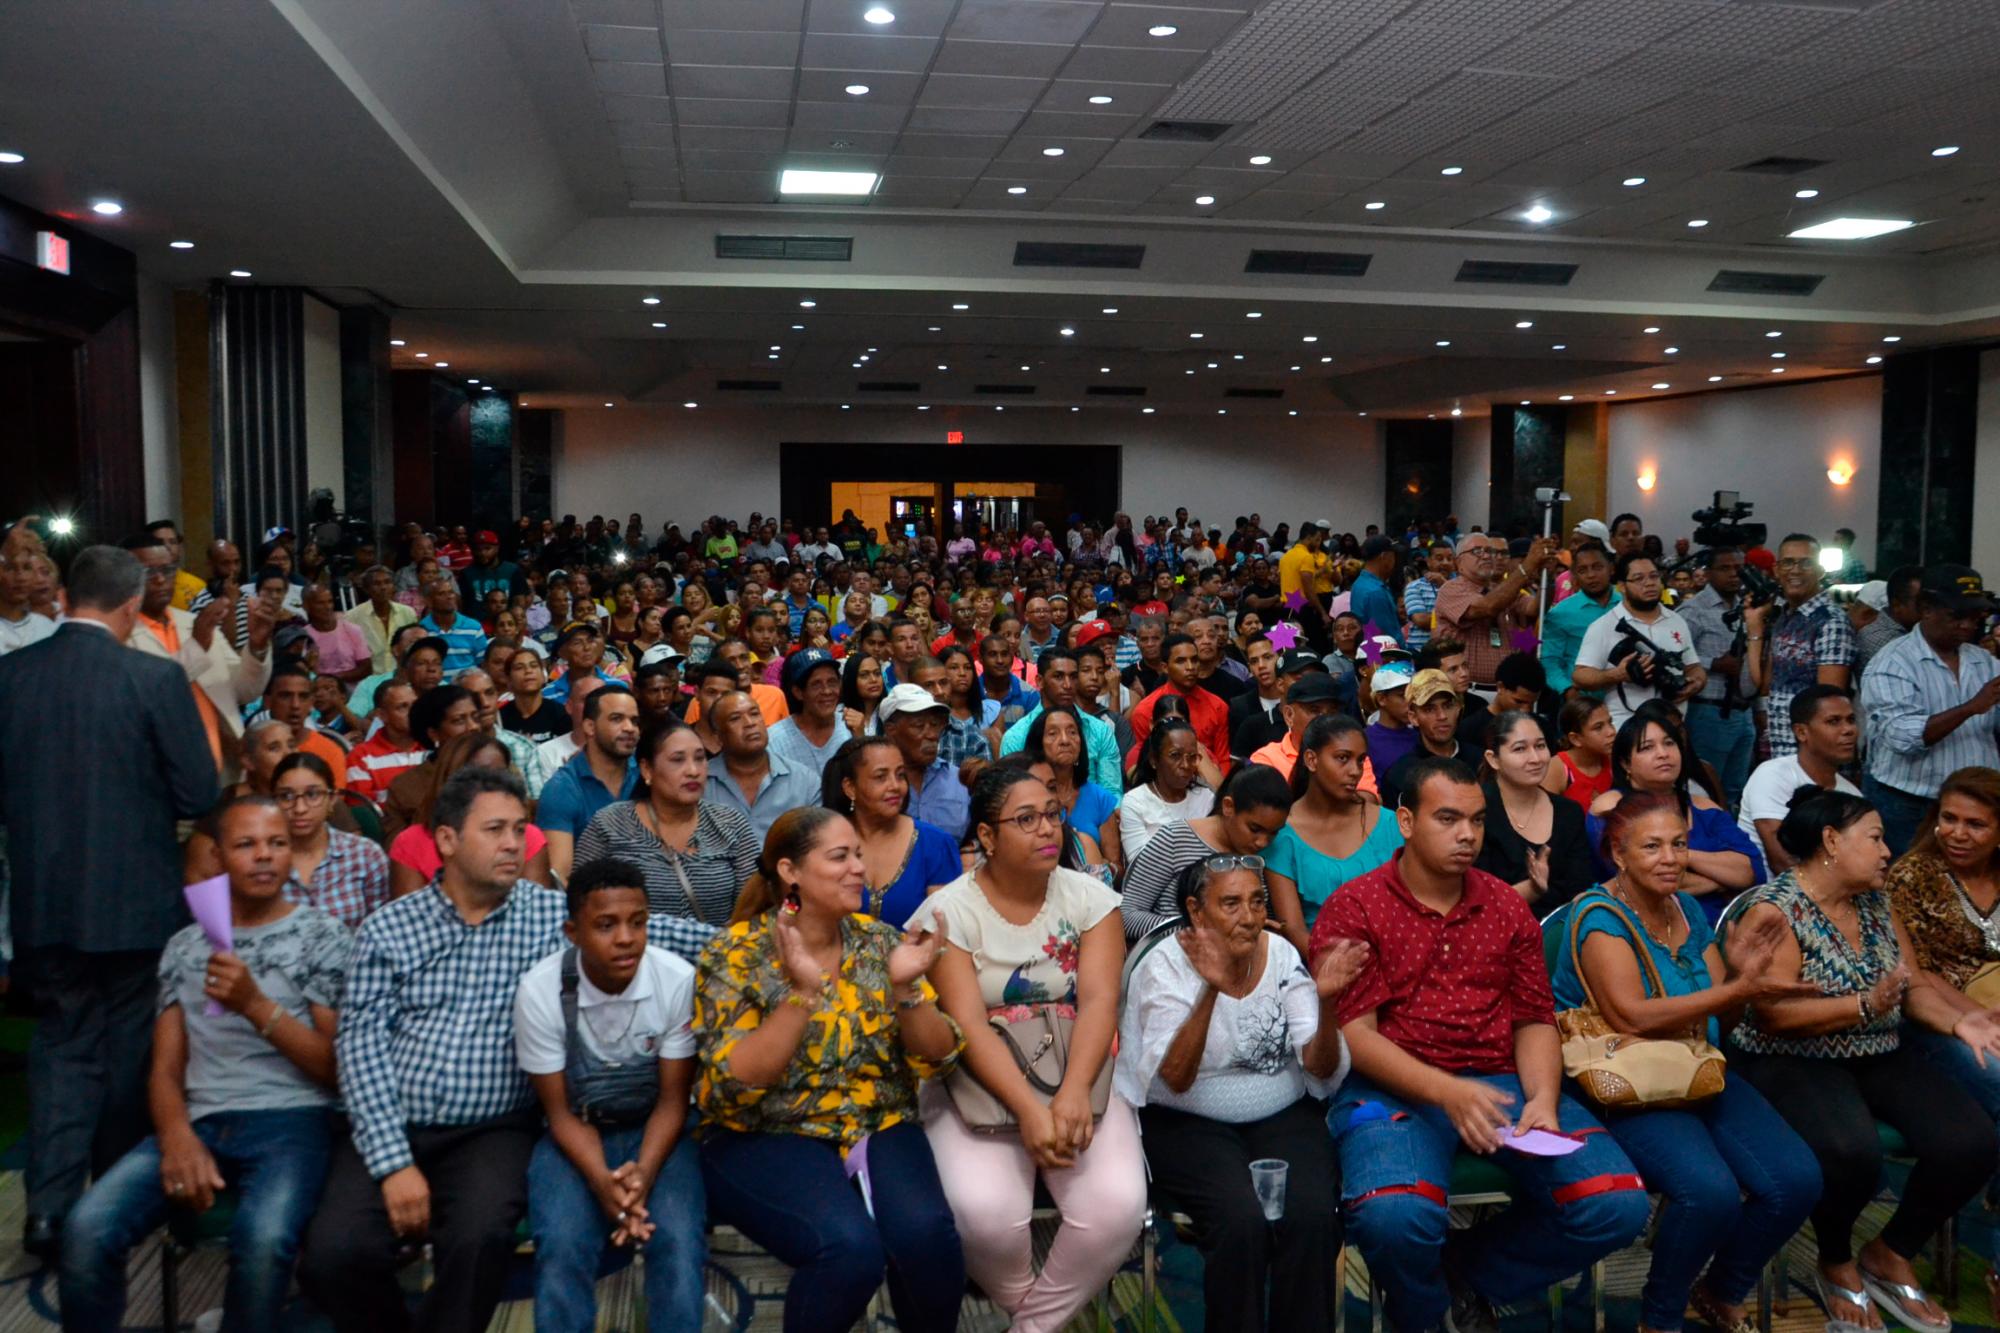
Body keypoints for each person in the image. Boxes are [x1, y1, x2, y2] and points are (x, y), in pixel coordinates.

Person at [300, 765, 697, 1330]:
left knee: (480, 1238)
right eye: (495, 830)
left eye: (519, 829)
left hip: (493, 1129)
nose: (515, 844)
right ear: (446, 840)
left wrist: (778, 939)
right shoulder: (389, 929)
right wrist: (393, 1166)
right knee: (334, 1255)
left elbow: (659, 933)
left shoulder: (547, 914)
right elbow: (360, 1053)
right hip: (391, 1122)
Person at [1315, 756, 1651, 1333]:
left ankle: (1459, 1277)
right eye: (1447, 819)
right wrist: (1448, 1093)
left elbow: (1534, 1019)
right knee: (1392, 1217)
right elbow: (1357, 1039)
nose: (1467, 834)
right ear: (1405, 821)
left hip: (1504, 1083)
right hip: (1396, 1087)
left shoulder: (1504, 905)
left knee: (1615, 1205)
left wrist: (1543, 1099)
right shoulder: (1357, 906)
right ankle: (1424, 1317)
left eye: (1475, 820)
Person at [0, 546, 220, 1258]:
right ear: (131, 606)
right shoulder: (153, 676)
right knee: (131, 1050)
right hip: (135, 901)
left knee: (62, 1047)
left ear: (64, 597)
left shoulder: (9, 675)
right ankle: (118, 1205)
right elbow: (198, 794)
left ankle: (49, 1211)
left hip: (41, 901)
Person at [58, 796, 349, 1332]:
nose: (264, 856)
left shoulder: (323, 937)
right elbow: (166, 1068)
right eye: (246, 845)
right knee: (86, 1228)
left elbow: (335, 1070)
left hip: (293, 1120)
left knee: (263, 1242)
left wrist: (256, 1006)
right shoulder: (185, 947)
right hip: (199, 1121)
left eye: (277, 843)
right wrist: (175, 1136)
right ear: (216, 857)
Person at [1548, 792, 1822, 1333]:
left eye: (1678, 844)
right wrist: (1738, 988)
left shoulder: (1687, 908)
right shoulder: (1597, 915)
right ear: (1619, 854)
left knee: (1797, 1180)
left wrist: (1746, 985)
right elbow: (1632, 1016)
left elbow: (1725, 1008)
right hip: (1625, 1078)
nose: (1671, 857)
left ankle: (1721, 1289)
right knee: (1709, 1192)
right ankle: (1662, 1318)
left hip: (1696, 1066)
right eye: (1652, 847)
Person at [1728, 789, 2000, 1333]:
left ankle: (1890, 1250)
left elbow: (1912, 986)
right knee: (1852, 1151)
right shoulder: (1774, 909)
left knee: (1971, 1142)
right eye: (1874, 838)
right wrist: (1861, 1004)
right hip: (1790, 1057)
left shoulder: (1876, 902)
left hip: (1876, 1048)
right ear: (1831, 841)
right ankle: (1835, 1257)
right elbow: (1772, 1015)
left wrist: (1958, 1021)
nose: (1886, 851)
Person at [695, 807, 968, 1333]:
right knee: (848, 1251)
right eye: (839, 857)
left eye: (859, 856)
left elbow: (939, 1056)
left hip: (876, 1121)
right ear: (789, 871)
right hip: (766, 1132)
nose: (858, 869)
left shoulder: (879, 942)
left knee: (928, 1239)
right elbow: (732, 1084)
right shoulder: (737, 953)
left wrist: (908, 990)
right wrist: (801, 995)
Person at [918, 767, 1147, 1333]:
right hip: (978, 1079)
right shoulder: (948, 913)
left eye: (1052, 813)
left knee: (1115, 1208)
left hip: (1079, 1066)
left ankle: (1030, 1326)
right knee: (984, 1217)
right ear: (987, 837)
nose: (1047, 828)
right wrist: (1029, 1110)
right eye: (1026, 819)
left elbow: (1098, 1002)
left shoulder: (1093, 900)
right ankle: (1037, 1315)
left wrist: (1070, 1095)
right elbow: (967, 1022)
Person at [1115, 855, 1365, 1333]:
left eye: (1256, 901)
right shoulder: (1164, 965)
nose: (1249, 917)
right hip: (1186, 1120)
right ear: (1196, 909)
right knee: (1240, 1222)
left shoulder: (1282, 954)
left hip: (1282, 1112)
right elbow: (1176, 1077)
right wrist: (1212, 988)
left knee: (1312, 1215)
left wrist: (1327, 1003)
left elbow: (1321, 1066)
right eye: (1230, 903)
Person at [514, 857, 706, 1333]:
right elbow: (558, 1112)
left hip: (658, 1131)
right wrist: (603, 1181)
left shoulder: (675, 979)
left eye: (637, 922)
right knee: (561, 1245)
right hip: (576, 1133)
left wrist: (640, 1176)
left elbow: (672, 1102)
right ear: (572, 932)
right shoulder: (539, 992)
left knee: (679, 1243)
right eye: (605, 925)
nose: (626, 938)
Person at [575, 719, 760, 962]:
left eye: (700, 758)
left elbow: (754, 908)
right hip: (634, 967)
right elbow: (581, 905)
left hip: (717, 969)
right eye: (678, 760)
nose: (693, 770)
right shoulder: (610, 825)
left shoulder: (730, 824)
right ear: (647, 770)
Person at [1859, 564, 2000, 856]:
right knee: (1910, 890)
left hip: (1976, 804)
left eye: (1975, 617)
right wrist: (1972, 707)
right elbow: (1903, 737)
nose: (1967, 625)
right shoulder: (1892, 663)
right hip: (1910, 804)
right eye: (1957, 616)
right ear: (1925, 609)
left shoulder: (1983, 661)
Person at [1589, 703, 1763, 921]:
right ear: (1625, 764)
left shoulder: (1704, 808)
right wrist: (1720, 881)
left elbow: (1751, 871)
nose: (1663, 754)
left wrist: (1685, 856)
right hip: (1646, 925)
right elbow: (1638, 880)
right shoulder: (1611, 808)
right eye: (1647, 748)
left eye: (1669, 743)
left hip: (1719, 926)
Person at [127, 531, 276, 778]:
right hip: (164, 776)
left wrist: (257, 646)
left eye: (168, 569)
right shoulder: (120, 635)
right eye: (148, 572)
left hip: (225, 769)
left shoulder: (193, 622)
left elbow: (244, 690)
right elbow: (149, 700)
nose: (161, 580)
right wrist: (196, 646)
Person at [1266, 714, 1403, 954]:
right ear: (1311, 760)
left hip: (1395, 958)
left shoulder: (1389, 823)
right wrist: (1338, 971)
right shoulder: (1283, 833)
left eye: (1361, 761)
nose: (1355, 771)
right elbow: (1294, 931)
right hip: (1320, 968)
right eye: (1343, 758)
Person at [1120, 764, 1297, 940]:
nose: (1262, 842)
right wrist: (1201, 930)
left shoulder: (1270, 852)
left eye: (1273, 832)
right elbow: (1127, 916)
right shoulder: (1176, 839)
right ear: (1228, 806)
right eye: (1254, 828)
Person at [388, 732, 554, 895]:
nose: (493, 785)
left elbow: (535, 909)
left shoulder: (527, 837)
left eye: (501, 774)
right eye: (479, 776)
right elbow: (412, 916)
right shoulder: (410, 842)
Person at [822, 735, 962, 928]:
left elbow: (945, 932)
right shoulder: (824, 842)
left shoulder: (935, 844)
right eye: (881, 777)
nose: (895, 786)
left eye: (900, 775)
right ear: (850, 787)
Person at [1473, 709, 1595, 912]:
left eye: (1540, 746)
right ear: (1493, 759)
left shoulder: (1569, 813)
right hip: (1496, 934)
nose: (1535, 758)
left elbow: (1580, 887)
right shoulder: (1476, 813)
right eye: (1520, 749)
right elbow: (1476, 903)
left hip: (1560, 933)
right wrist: (1531, 889)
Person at [1574, 553, 1707, 729]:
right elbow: (1580, 675)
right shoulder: (1604, 625)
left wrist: (1696, 683)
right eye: (1638, 579)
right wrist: (1617, 674)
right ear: (1621, 586)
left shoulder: (1676, 620)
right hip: (1626, 725)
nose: (1649, 583)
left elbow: (1693, 666)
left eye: (1654, 576)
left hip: (1673, 724)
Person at [1752, 534, 1855, 760]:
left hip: (1811, 754)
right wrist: (1755, 626)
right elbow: (1765, 684)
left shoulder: (1831, 621)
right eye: (1788, 562)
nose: (1795, 570)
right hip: (1781, 746)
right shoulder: (1784, 616)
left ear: (1821, 570)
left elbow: (1830, 703)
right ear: (1776, 570)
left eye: (1806, 563)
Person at [1739, 685, 1862, 872]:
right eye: (1833, 721)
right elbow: (1782, 862)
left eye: (1851, 720)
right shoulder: (1773, 775)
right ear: (1801, 732)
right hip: (1771, 895)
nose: (1848, 730)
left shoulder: (1853, 795)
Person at [1678, 547, 1760, 807]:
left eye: (1739, 568)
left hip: (1744, 710)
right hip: (1708, 710)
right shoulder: (1693, 610)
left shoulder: (1749, 608)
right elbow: (1672, 657)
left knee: (1736, 790)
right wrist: (1714, 663)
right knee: (1706, 789)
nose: (1734, 575)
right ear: (1708, 572)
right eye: (1725, 568)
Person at [273, 751, 390, 929]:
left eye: (312, 795)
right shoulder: (263, 859)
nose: (300, 808)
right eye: (287, 796)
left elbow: (383, 932)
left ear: (332, 799)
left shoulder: (365, 855)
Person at [539, 683, 642, 882]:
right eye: (616, 719)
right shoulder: (561, 789)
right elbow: (561, 877)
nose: (630, 728)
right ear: (589, 727)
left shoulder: (648, 776)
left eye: (634, 721)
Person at [1433, 531, 1557, 688]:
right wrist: (1527, 566)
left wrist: (1550, 578)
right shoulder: (1451, 589)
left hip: (1505, 692)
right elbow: (1487, 607)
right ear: (1459, 562)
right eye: (1476, 551)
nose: (1486, 556)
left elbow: (1534, 609)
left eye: (1489, 551)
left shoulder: (1503, 590)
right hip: (1467, 692)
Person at [705, 689, 822, 845]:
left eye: (754, 714)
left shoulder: (804, 781)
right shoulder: (699, 784)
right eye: (735, 719)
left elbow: (818, 845)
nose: (750, 723)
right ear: (718, 737)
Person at [998, 649, 1123, 793]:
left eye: (1073, 677)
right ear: (1039, 681)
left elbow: (1112, 793)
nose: (1068, 685)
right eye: (1058, 677)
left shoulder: (1100, 730)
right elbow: (1010, 795)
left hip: (1093, 812)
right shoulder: (1017, 736)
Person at [1025, 704, 1123, 877]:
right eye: (1053, 733)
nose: (1065, 740)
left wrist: (1099, 868)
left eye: (1072, 732)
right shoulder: (1027, 796)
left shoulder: (1100, 798)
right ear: (1038, 744)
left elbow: (1116, 866)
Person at [1129, 632, 1233, 774]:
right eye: (1181, 661)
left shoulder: (1218, 706)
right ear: (1165, 668)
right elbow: (1145, 760)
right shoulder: (1145, 711)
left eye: (1194, 660)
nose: (1190, 667)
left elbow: (1223, 759)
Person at [877, 683, 972, 840]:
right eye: (919, 726)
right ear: (891, 729)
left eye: (935, 725)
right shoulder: (876, 785)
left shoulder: (958, 780)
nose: (932, 735)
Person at [1120, 716, 1216, 861]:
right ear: (1154, 760)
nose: (1185, 765)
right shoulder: (1135, 802)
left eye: (1192, 757)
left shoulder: (1206, 797)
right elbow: (1139, 865)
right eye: (1175, 755)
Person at [1377, 668, 1468, 812]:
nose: (1442, 716)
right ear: (1413, 717)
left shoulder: (1480, 762)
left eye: (1448, 706)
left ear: (1458, 708)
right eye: (1429, 709)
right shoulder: (1401, 774)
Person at [1540, 542, 1619, 697]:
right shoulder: (1560, 614)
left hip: (1627, 700)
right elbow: (1549, 662)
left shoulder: (1628, 605)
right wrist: (1567, 690)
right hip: (1581, 704)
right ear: (1574, 576)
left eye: (1597, 567)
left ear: (1611, 569)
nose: (1591, 575)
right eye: (1583, 570)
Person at [1249, 672, 1349, 781]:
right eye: (1314, 710)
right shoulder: (1267, 759)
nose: (1325, 719)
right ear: (1289, 715)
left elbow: (1365, 796)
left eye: (1332, 711)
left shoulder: (1351, 753)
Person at [768, 646, 852, 771]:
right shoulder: (776, 740)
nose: (827, 691)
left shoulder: (851, 728)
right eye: (816, 684)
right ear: (798, 692)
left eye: (832, 682)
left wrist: (859, 739)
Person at [343, 680, 425, 802]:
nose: (413, 712)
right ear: (382, 715)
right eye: (402, 707)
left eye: (415, 705)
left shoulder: (435, 748)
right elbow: (363, 812)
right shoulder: (360, 757)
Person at [1545, 696, 1618, 812]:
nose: (1611, 732)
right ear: (1575, 739)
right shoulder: (1557, 769)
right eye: (1598, 727)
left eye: (1610, 723)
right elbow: (1546, 818)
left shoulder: (1614, 759)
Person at [345, 564, 420, 675]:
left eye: (387, 582)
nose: (383, 587)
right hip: (370, 682)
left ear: (394, 586)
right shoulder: (352, 617)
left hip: (401, 679)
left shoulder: (407, 613)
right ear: (366, 589)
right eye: (377, 584)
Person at [417, 576, 489, 676]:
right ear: (429, 601)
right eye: (441, 594)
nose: (449, 596)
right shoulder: (421, 630)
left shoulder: (474, 628)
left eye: (451, 592)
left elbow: (483, 664)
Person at [500, 645, 570, 740]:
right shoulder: (500, 719)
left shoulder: (561, 715)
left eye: (534, 666)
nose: (528, 671)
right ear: (509, 680)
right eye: (519, 667)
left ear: (543, 676)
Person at [840, 646, 886, 737]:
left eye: (877, 673)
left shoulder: (891, 712)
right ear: (851, 680)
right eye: (864, 675)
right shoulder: (841, 715)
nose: (873, 680)